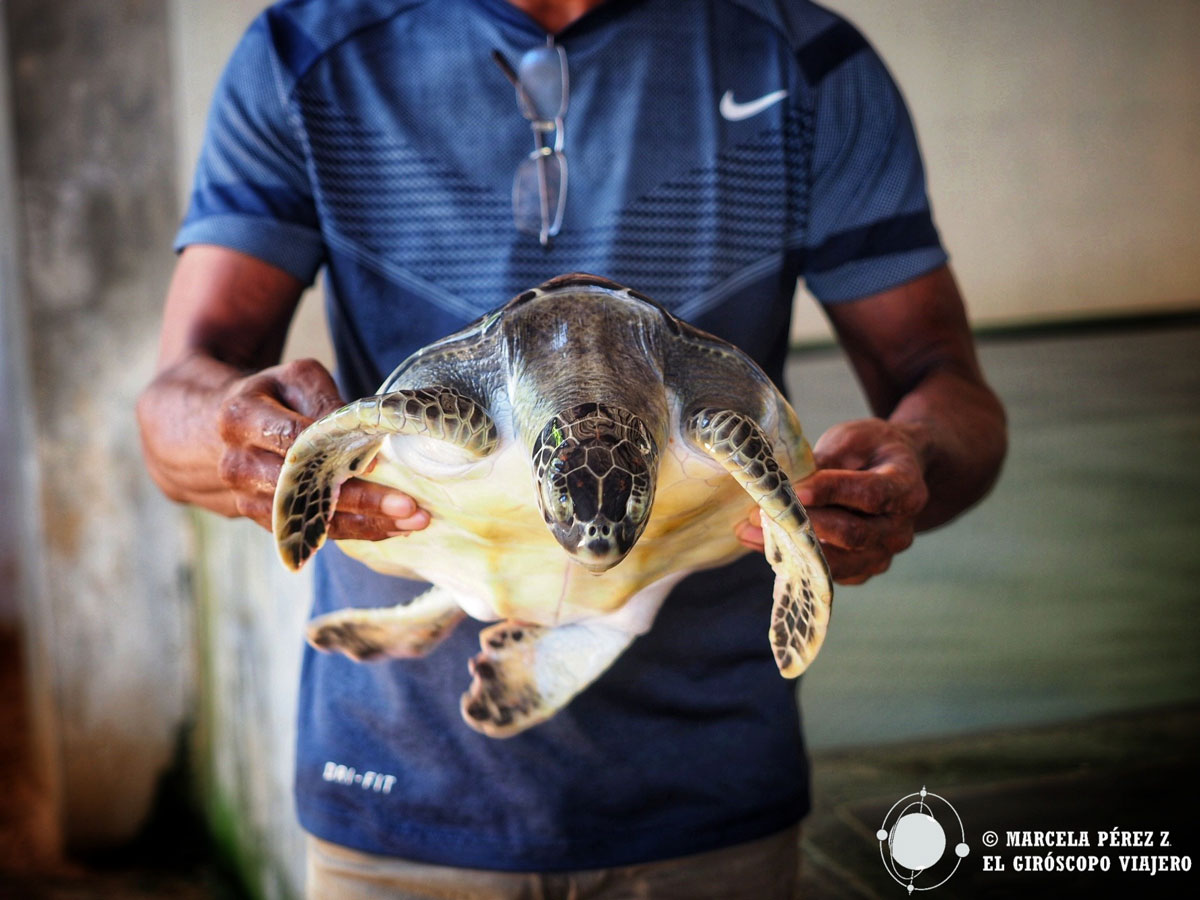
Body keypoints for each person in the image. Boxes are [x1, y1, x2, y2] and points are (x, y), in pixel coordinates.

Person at [137, 0, 1006, 897]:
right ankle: (434, 608)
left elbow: (947, 386)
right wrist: (248, 441)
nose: (594, 536)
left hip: (708, 787)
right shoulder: (304, 50)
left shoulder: (802, 55)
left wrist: (911, 465)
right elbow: (176, 403)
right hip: (399, 789)